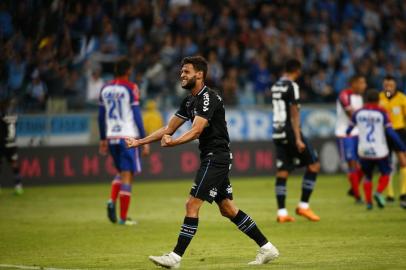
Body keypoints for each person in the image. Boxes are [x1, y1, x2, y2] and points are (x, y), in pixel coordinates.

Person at [126, 56, 279, 268]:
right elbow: (168, 129)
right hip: (213, 157)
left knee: (191, 204)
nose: (182, 75)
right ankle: (267, 247)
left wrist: (174, 143)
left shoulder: (208, 98)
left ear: (199, 74)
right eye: (181, 72)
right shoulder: (189, 100)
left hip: (216, 158)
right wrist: (139, 141)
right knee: (227, 208)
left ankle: (175, 257)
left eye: (186, 72)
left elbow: (197, 130)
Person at [98, 59, 150, 226]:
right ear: (128, 71)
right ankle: (122, 218)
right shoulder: (131, 87)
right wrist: (143, 139)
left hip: (112, 136)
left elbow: (101, 116)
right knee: (127, 175)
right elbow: (136, 115)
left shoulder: (105, 89)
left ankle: (111, 200)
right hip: (127, 136)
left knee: (121, 172)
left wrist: (102, 138)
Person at [270, 59, 320, 223]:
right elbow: (294, 113)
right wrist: (298, 138)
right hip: (290, 131)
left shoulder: (276, 85)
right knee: (313, 164)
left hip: (277, 131)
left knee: (283, 171)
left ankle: (282, 212)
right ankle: (303, 206)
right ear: (297, 71)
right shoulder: (293, 86)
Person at [347, 90, 406, 210]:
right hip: (379, 150)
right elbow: (390, 132)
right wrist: (401, 145)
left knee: (367, 176)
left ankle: (369, 203)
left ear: (366, 100)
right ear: (378, 101)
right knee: (386, 172)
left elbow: (349, 130)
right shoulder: (381, 112)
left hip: (364, 150)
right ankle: (378, 192)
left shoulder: (358, 113)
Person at [335, 75, 367, 202]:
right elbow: (352, 115)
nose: (364, 85)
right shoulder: (344, 95)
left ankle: (353, 189)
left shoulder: (360, 97)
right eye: (362, 82)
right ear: (354, 83)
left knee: (365, 165)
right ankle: (358, 196)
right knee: (352, 164)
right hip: (345, 134)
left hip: (358, 133)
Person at [379, 75, 406, 208]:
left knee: (403, 161)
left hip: (399, 131)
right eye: (386, 85)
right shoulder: (379, 98)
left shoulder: (402, 98)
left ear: (395, 86)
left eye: (390, 85)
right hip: (384, 133)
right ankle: (389, 194)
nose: (388, 87)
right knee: (387, 163)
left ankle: (403, 192)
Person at [0, 97, 23, 195]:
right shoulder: (14, 117)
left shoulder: (2, 118)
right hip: (12, 144)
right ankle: (18, 187)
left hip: (2, 144)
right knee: (14, 164)